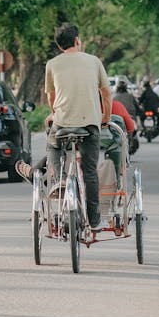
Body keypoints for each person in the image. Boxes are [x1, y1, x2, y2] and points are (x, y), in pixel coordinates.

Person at [44, 22, 112, 230]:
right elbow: (106, 94)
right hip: (90, 124)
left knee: (53, 145)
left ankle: (60, 179)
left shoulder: (52, 64)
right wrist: (105, 117)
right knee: (89, 171)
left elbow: (51, 96)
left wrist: (55, 114)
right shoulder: (94, 61)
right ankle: (94, 220)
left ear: (59, 46)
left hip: (62, 123)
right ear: (77, 41)